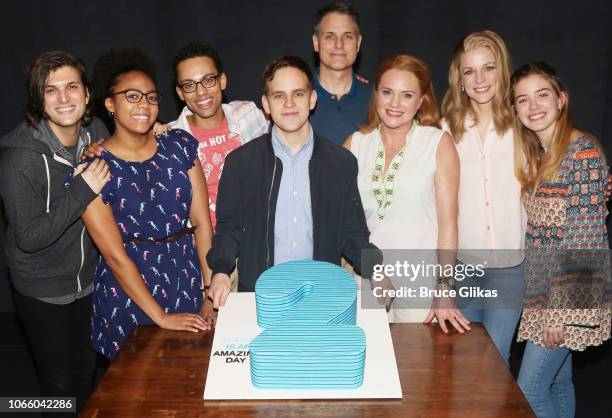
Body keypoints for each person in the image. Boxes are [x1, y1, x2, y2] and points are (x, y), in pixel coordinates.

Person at [207, 55, 381, 306]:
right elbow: (228, 228)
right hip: (260, 297)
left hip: (322, 296)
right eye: (279, 96)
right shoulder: (240, 163)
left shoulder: (341, 163)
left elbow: (352, 233)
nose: (289, 103)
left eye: (298, 94)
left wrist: (374, 269)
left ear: (312, 100)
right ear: (266, 104)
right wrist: (221, 271)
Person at [82, 49, 214, 362]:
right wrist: (159, 316)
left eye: (152, 97)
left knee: (189, 384)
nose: (144, 105)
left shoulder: (180, 146)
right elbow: (114, 256)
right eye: (132, 96)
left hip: (186, 280)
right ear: (110, 103)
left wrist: (209, 291)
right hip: (128, 294)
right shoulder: (93, 169)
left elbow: (202, 222)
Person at [0, 51, 110, 412]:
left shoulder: (95, 132)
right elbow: (28, 238)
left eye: (71, 87)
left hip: (88, 281)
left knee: (87, 368)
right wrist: (82, 190)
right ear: (38, 98)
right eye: (51, 90)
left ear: (87, 93)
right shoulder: (22, 158)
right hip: (42, 289)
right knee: (57, 382)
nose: (64, 99)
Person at [512, 62, 610, 418]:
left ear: (561, 99)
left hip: (564, 297)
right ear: (515, 110)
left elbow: (585, 240)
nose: (533, 106)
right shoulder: (542, 156)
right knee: (557, 383)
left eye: (542, 95)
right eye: (523, 100)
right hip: (543, 293)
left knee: (528, 391)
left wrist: (559, 314)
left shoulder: (581, 154)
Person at [343, 54, 463, 326]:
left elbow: (448, 224)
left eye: (406, 95)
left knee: (417, 366)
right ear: (375, 94)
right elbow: (342, 220)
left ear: (421, 101)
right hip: (366, 278)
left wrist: (444, 287)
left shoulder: (437, 143)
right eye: (387, 92)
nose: (394, 104)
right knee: (370, 365)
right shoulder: (355, 144)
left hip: (420, 280)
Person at [440, 30, 524, 363]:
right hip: (463, 267)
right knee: (462, 361)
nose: (480, 79)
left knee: (495, 362)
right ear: (459, 80)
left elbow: (563, 140)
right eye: (469, 71)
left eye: (488, 68)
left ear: (502, 71)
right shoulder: (445, 129)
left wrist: (593, 161)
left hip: (510, 268)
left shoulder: (524, 123)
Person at [167, 43, 269, 230]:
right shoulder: (169, 139)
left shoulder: (248, 113)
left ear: (222, 80)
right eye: (189, 85)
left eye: (208, 80)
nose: (200, 91)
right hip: (207, 248)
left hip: (259, 239)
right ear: (180, 92)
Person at [310, 2, 371, 144]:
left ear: (358, 42)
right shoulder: (297, 95)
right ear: (316, 42)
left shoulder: (377, 100)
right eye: (330, 36)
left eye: (348, 36)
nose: (339, 44)